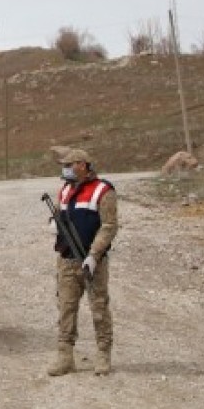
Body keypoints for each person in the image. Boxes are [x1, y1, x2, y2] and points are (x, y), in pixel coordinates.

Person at [47, 148, 118, 377]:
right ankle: (65, 356)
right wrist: (52, 224)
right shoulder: (65, 190)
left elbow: (109, 226)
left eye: (70, 164)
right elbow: (58, 215)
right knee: (66, 308)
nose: (65, 168)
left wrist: (94, 255)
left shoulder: (103, 190)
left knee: (99, 308)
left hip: (92, 262)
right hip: (67, 261)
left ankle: (103, 354)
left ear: (83, 165)